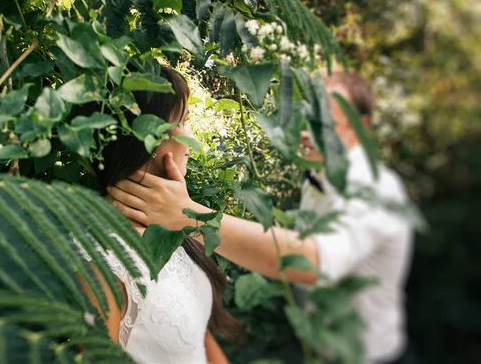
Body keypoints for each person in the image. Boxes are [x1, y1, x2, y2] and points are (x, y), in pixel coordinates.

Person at [107, 70, 414, 363]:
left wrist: (189, 216)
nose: (306, 129)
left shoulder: (375, 189)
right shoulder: (318, 179)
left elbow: (317, 263)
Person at [80, 65, 242, 364]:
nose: (192, 142)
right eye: (183, 122)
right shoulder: (103, 258)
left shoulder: (170, 230)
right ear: (145, 139)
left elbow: (198, 338)